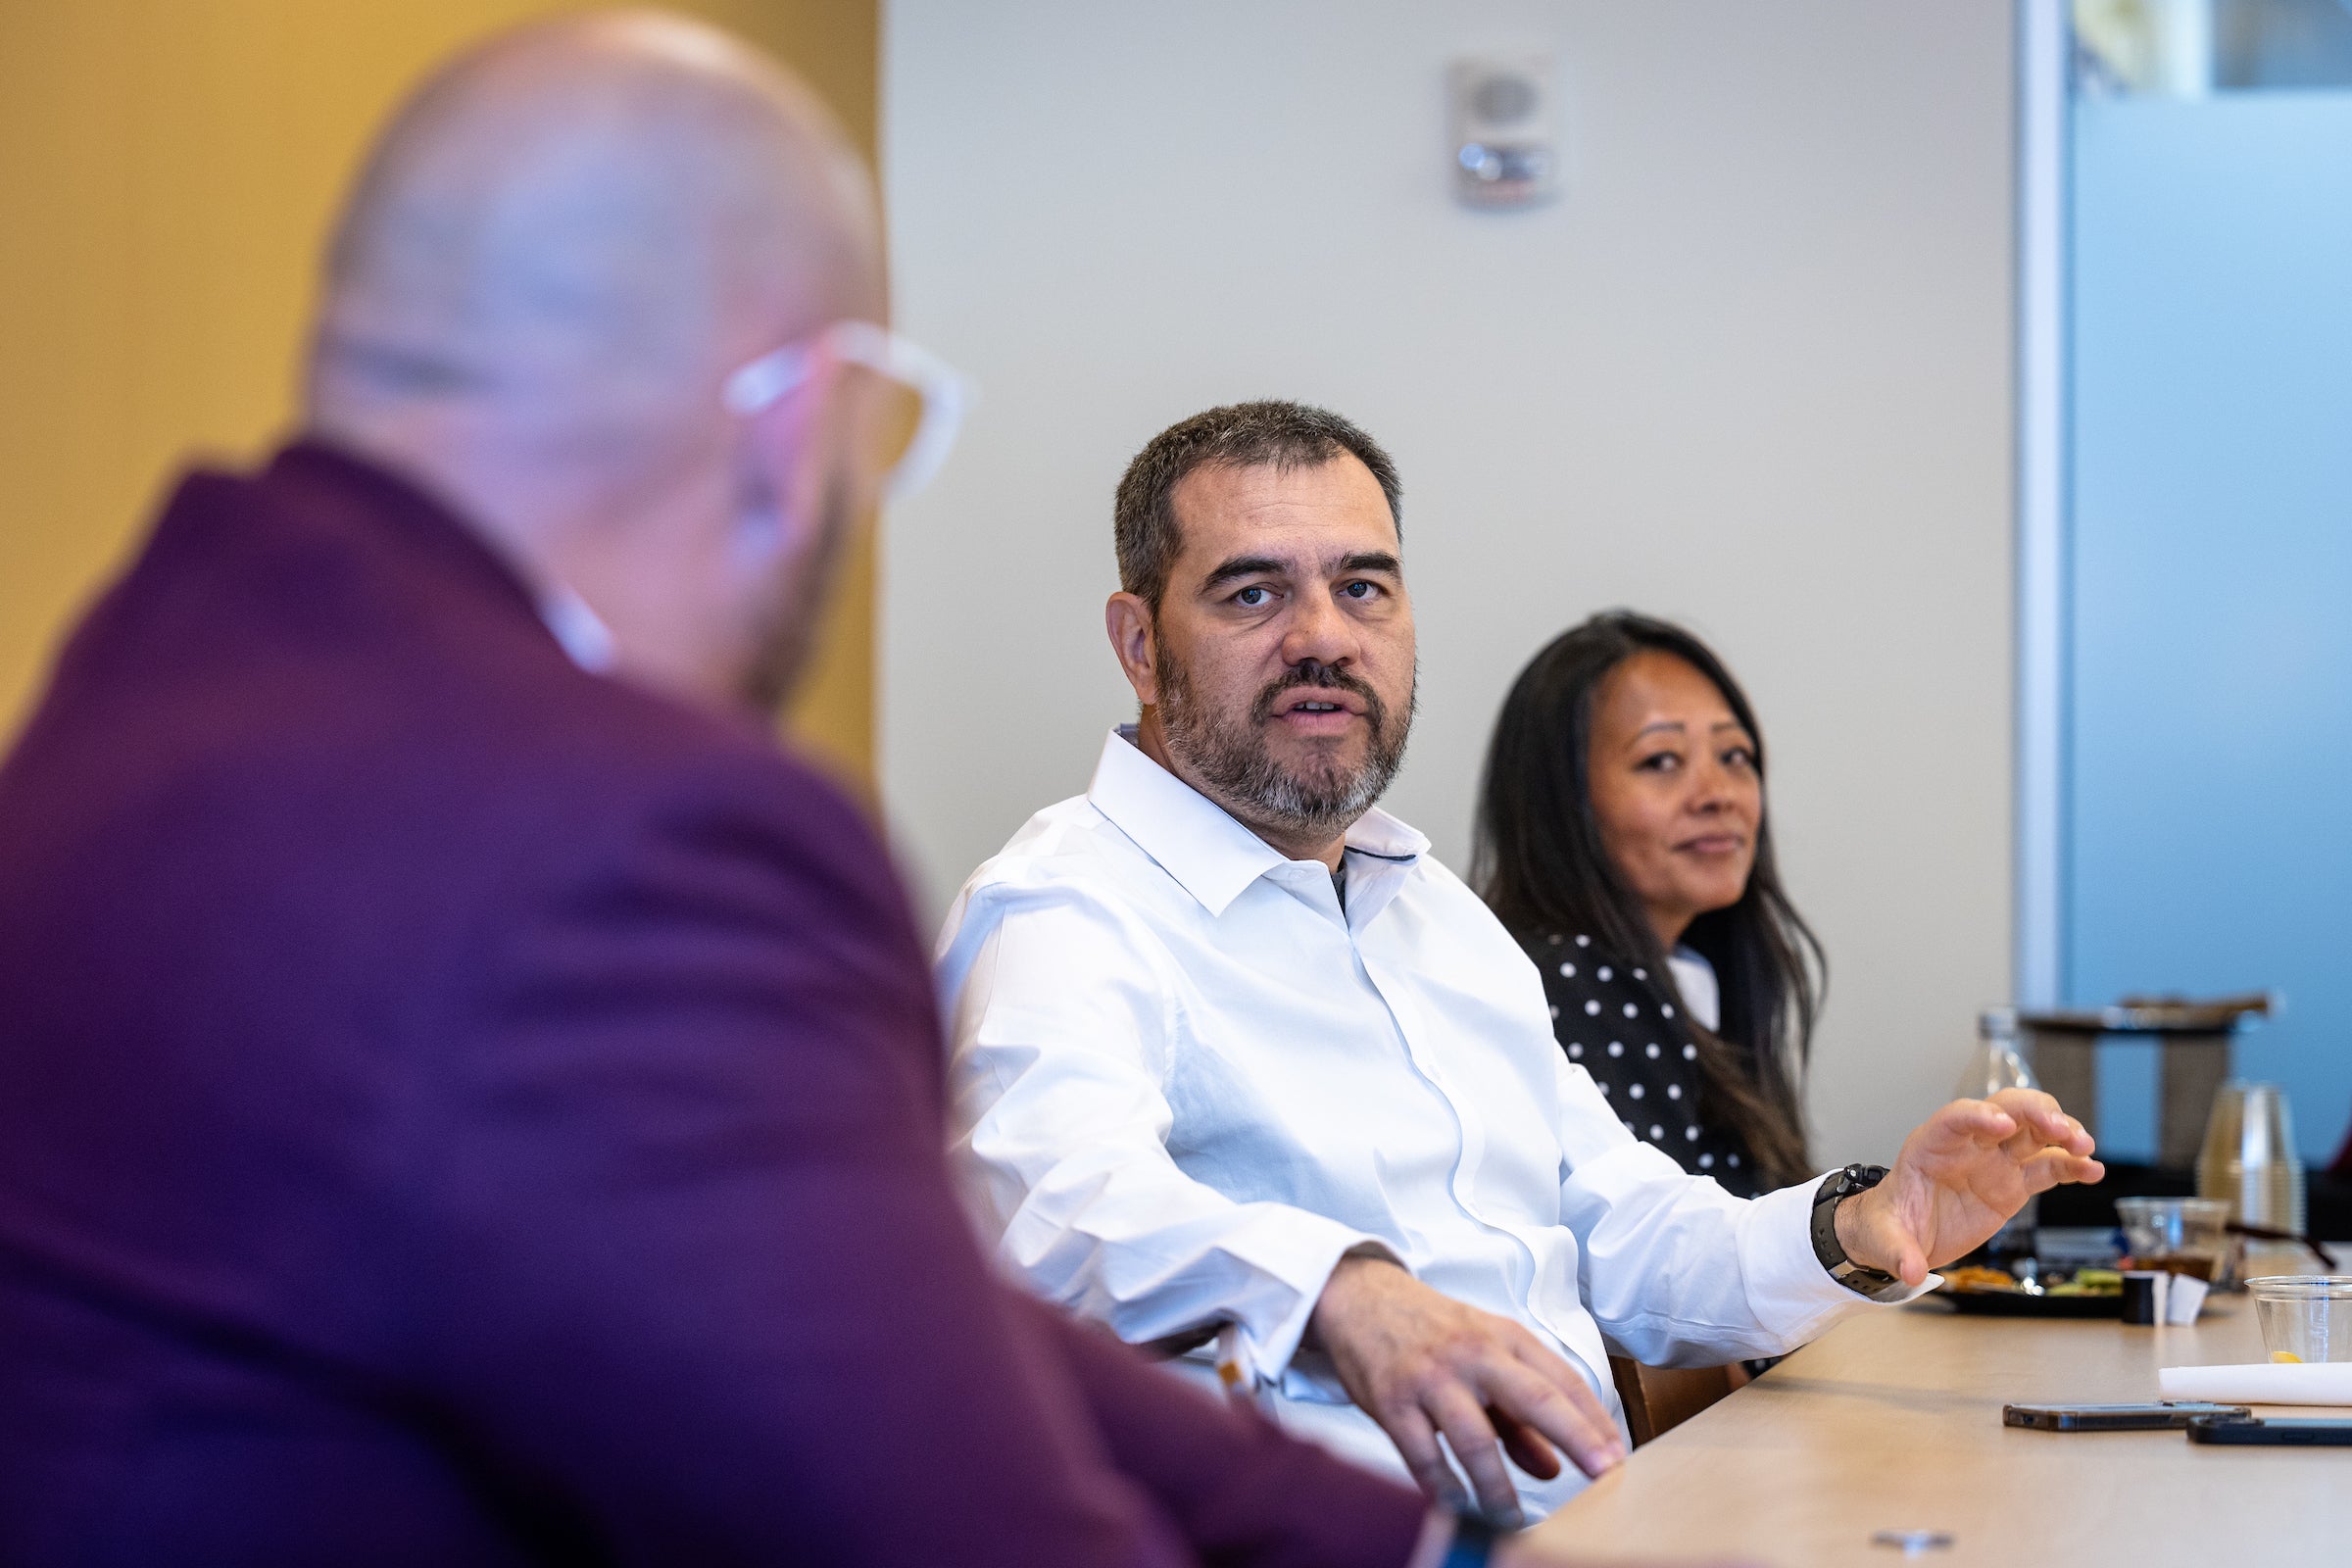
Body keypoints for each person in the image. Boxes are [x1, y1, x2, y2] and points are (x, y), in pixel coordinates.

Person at [0, 21, 1483, 1567]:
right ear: (795, 428)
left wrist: (1414, 1550)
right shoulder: (632, 847)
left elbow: (874, 1319)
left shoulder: (157, 682)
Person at [937, 399, 2104, 1524]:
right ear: (1141, 644)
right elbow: (1051, 1213)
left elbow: (1625, 1226)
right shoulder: (1066, 906)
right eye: (1254, 591)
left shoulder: (1432, 910)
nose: (1325, 637)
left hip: (1599, 1521)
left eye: (1363, 586)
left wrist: (1862, 1223)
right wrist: (1344, 1288)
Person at [1472, 612, 1820, 1200]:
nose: (1717, 795)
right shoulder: (1571, 980)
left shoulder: (1696, 973)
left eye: (1734, 756)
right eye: (1661, 761)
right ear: (1563, 802)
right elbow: (1657, 1269)